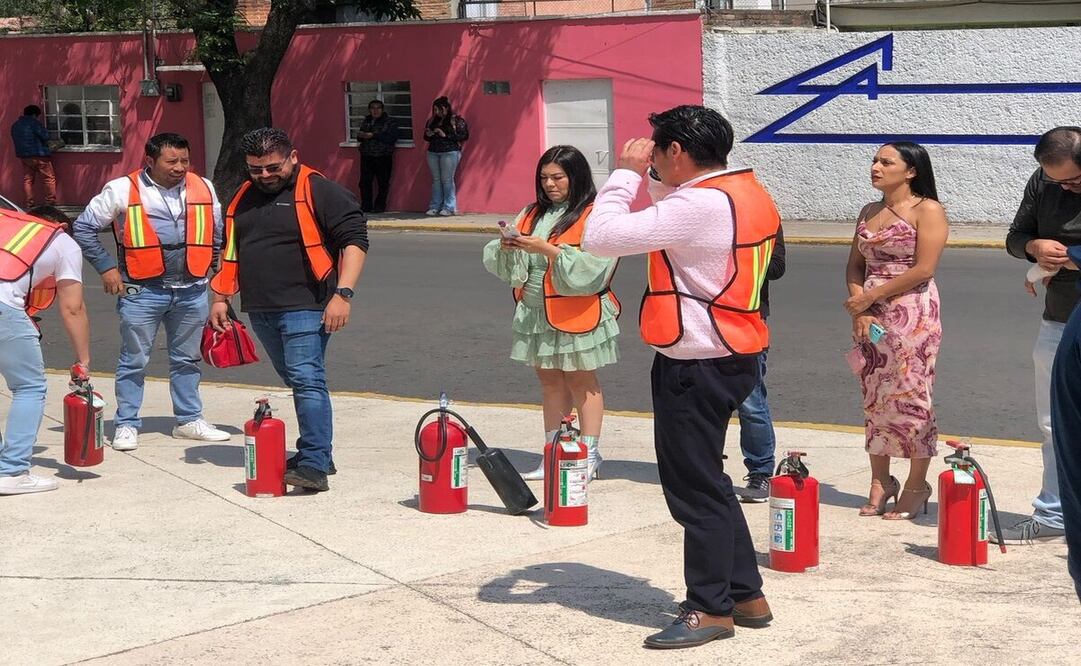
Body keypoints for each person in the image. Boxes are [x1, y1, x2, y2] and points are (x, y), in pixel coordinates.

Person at [584, 105, 778, 649]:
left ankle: (710, 609)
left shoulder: (698, 204)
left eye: (656, 150)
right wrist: (652, 178)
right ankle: (746, 594)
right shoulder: (744, 191)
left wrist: (624, 172)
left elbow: (600, 237)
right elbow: (673, 209)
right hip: (732, 351)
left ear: (675, 151)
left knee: (693, 490)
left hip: (696, 360)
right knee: (711, 482)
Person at [209, 128, 369, 493]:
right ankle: (319, 452)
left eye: (272, 167)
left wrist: (343, 294)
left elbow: (356, 240)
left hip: (308, 304)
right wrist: (219, 297)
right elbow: (230, 248)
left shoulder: (319, 190)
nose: (264, 176)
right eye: (256, 169)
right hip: (261, 307)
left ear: (293, 157)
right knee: (296, 379)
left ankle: (313, 463)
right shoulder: (243, 196)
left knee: (307, 378)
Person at [72, 132, 230, 452]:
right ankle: (128, 423)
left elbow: (216, 233)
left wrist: (216, 273)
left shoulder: (204, 186)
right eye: (171, 161)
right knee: (134, 359)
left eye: (185, 161)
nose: (179, 167)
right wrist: (106, 268)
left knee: (187, 359)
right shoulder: (120, 189)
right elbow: (84, 227)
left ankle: (188, 420)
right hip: (142, 290)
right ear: (150, 160)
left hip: (192, 289)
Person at [482, 145, 620, 481]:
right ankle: (555, 452)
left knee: (580, 379)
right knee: (549, 381)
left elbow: (595, 268)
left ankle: (588, 453)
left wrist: (546, 249)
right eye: (544, 177)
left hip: (576, 311)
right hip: (535, 310)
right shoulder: (530, 213)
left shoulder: (594, 214)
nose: (550, 184)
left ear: (576, 177)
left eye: (558, 177)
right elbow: (509, 266)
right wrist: (507, 245)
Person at [843, 142, 948, 521]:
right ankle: (880, 480)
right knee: (874, 394)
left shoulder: (928, 210)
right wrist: (862, 306)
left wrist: (870, 297)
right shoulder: (869, 211)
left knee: (912, 394)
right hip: (872, 314)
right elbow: (855, 266)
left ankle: (916, 485)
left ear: (910, 171)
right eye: (874, 160)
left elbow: (924, 269)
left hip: (913, 312)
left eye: (886, 162)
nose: (875, 167)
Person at [1003, 126, 1081, 545]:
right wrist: (1034, 248)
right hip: (1059, 319)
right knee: (1054, 423)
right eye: (1058, 182)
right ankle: (1053, 514)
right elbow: (1015, 237)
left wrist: (1070, 256)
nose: (1066, 188)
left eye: (1074, 180)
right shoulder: (1044, 180)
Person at [0, 207, 91, 495]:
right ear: (61, 225)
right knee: (29, 387)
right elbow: (72, 307)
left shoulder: (8, 227)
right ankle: (12, 471)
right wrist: (83, 359)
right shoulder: (61, 241)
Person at [737, 226, 785, 501]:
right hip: (704, 319)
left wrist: (735, 253)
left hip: (749, 316)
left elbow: (778, 266)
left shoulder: (762, 213)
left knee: (751, 401)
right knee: (706, 399)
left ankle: (761, 472)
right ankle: (707, 466)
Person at [423, 96, 469, 216]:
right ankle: (435, 206)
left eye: (439, 109)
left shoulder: (456, 120)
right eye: (435, 110)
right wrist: (430, 133)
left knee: (447, 179)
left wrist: (445, 135)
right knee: (436, 180)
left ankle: (449, 207)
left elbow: (464, 136)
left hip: (449, 152)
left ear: (446, 108)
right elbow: (426, 137)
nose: (437, 112)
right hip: (433, 151)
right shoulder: (432, 120)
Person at [356, 99, 399, 214]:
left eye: (378, 108)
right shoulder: (367, 121)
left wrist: (374, 135)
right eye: (372, 108)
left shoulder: (389, 122)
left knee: (383, 182)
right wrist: (362, 135)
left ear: (382, 109)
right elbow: (359, 136)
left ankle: (379, 206)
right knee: (365, 182)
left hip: (383, 156)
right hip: (367, 155)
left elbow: (391, 138)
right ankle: (366, 205)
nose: (375, 111)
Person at [11, 105, 57, 208]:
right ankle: (50, 202)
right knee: (48, 178)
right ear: (34, 114)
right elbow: (45, 136)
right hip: (40, 155)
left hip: (25, 156)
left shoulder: (15, 125)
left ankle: (29, 203)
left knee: (28, 180)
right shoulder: (34, 123)